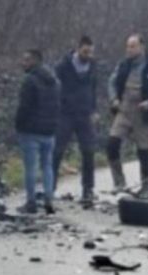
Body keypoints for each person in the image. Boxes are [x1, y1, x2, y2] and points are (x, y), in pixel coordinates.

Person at [106, 33, 148, 197]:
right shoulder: (122, 65)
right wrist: (114, 98)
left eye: (132, 46)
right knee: (111, 145)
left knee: (145, 151)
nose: (129, 50)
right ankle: (119, 183)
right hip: (123, 111)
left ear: (142, 47)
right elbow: (111, 83)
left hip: (143, 115)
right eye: (127, 46)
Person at [53, 35, 100, 204]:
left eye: (91, 52)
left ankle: (88, 189)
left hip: (85, 114)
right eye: (85, 52)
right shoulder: (63, 66)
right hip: (65, 113)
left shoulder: (93, 66)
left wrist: (94, 109)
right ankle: (50, 187)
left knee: (88, 151)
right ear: (78, 49)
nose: (88, 55)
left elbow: (93, 88)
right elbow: (54, 87)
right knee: (57, 150)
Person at [15, 49, 61, 214]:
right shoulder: (55, 81)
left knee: (31, 168)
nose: (23, 63)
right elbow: (58, 105)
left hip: (31, 131)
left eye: (26, 60)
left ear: (35, 61)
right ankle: (49, 199)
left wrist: (18, 125)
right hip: (49, 131)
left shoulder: (30, 81)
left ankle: (31, 202)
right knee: (47, 166)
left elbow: (24, 107)